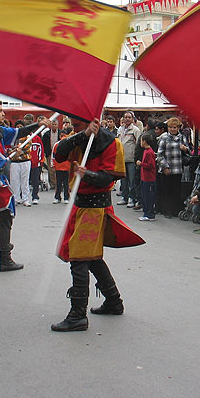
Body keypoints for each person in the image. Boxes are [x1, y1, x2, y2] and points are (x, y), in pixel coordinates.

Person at [50, 118, 145, 332]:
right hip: (80, 206)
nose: (73, 129)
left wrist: (88, 175)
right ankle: (113, 301)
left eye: (77, 126)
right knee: (91, 258)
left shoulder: (113, 143)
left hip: (95, 208)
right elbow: (60, 153)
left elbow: (110, 177)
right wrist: (81, 135)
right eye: (73, 127)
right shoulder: (78, 138)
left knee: (80, 258)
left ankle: (78, 315)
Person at [0, 98, 49, 272]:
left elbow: (18, 132)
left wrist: (38, 125)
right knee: (5, 217)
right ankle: (5, 260)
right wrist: (6, 158)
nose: (3, 113)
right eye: (0, 111)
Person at [156, 117, 190, 218]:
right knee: (166, 191)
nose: (172, 129)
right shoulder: (164, 138)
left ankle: (175, 210)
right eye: (170, 127)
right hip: (167, 169)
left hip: (178, 168)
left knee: (176, 191)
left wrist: (185, 149)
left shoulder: (182, 137)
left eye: (174, 127)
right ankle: (166, 211)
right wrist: (164, 167)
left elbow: (189, 151)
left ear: (178, 128)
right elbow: (159, 155)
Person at [116, 111, 141, 208]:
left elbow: (139, 144)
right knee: (123, 180)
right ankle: (124, 197)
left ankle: (132, 198)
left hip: (131, 159)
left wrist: (137, 157)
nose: (127, 119)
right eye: (125, 117)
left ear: (132, 119)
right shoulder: (120, 130)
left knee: (132, 180)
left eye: (129, 117)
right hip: (121, 158)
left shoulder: (135, 130)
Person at [9, 120, 33, 207]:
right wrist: (15, 151)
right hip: (14, 162)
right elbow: (9, 149)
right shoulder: (12, 137)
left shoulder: (28, 137)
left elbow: (27, 149)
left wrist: (17, 150)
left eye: (20, 127)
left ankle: (25, 199)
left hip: (25, 161)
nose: (19, 128)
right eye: (17, 127)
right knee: (14, 181)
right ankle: (16, 198)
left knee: (25, 181)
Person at [136, 133, 157, 221]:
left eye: (141, 140)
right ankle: (146, 213)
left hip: (149, 178)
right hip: (144, 177)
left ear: (144, 141)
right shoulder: (146, 151)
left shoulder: (149, 152)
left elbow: (151, 165)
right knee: (144, 195)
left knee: (148, 196)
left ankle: (149, 214)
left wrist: (141, 164)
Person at [52, 129, 71, 204]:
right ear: (59, 136)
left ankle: (66, 197)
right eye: (62, 135)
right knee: (58, 183)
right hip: (59, 167)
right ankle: (57, 197)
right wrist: (53, 165)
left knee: (66, 184)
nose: (63, 137)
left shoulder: (69, 144)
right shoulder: (56, 144)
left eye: (64, 135)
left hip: (67, 167)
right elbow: (53, 156)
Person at [42, 118, 60, 190]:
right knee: (50, 168)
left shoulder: (61, 133)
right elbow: (44, 143)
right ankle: (52, 184)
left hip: (59, 153)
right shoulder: (47, 134)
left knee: (58, 169)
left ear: (58, 125)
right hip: (50, 153)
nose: (54, 126)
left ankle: (58, 184)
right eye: (53, 124)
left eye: (55, 124)